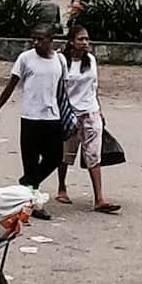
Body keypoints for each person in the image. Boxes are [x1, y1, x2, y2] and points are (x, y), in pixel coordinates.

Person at [0, 26, 64, 220]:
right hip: (31, 117)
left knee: (55, 156)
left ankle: (27, 184)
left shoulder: (59, 60)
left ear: (50, 40)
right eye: (34, 39)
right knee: (30, 161)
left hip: (52, 116)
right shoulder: (26, 58)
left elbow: (61, 89)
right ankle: (32, 200)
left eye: (40, 39)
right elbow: (11, 86)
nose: (36, 43)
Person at [56, 25, 121, 213]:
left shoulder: (90, 60)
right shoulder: (61, 61)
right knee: (66, 153)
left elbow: (93, 87)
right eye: (80, 39)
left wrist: (99, 109)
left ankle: (99, 198)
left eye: (86, 39)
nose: (84, 43)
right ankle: (62, 187)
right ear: (71, 41)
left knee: (93, 154)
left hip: (90, 111)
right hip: (69, 112)